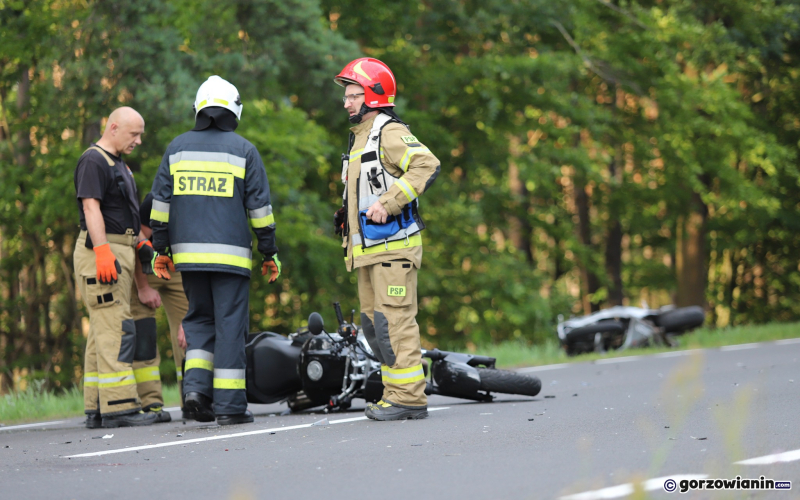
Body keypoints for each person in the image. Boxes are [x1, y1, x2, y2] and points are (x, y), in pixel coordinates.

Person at [149, 76, 281, 426]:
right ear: (233, 109)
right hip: (231, 260)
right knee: (229, 328)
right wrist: (269, 252)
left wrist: (160, 249)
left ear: (199, 108)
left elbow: (159, 205)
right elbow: (260, 210)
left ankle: (194, 394)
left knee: (198, 322)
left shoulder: (176, 149)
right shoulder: (243, 150)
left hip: (188, 259)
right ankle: (230, 407)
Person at [333, 58, 441, 420]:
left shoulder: (388, 131)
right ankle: (395, 392)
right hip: (369, 254)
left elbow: (427, 164)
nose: (346, 102)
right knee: (375, 327)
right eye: (346, 96)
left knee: (395, 322)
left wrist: (389, 201)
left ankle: (409, 398)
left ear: (374, 95)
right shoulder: (359, 137)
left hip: (394, 252)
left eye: (353, 95)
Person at [73, 106, 157, 428]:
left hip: (118, 249)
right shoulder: (94, 160)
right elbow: (91, 207)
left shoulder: (118, 164)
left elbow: (122, 214)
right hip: (101, 253)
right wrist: (104, 251)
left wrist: (137, 243)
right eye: (133, 134)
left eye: (140, 135)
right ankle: (120, 407)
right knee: (116, 327)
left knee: (101, 329)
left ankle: (96, 407)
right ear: (113, 127)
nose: (138, 141)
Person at [129, 192, 192, 422]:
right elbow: (136, 246)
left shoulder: (198, 205)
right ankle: (151, 403)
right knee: (143, 331)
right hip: (146, 269)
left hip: (179, 271)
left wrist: (193, 312)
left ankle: (193, 398)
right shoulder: (153, 203)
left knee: (192, 333)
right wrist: (143, 287)